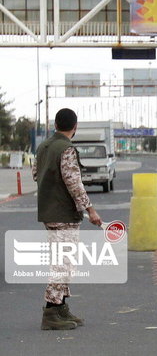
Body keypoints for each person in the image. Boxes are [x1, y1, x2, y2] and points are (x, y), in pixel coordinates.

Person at [33, 108, 102, 330]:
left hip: (49, 212)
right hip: (63, 213)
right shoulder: (67, 149)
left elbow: (36, 174)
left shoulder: (43, 147)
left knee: (64, 262)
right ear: (75, 126)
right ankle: (51, 312)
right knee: (62, 264)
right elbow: (74, 183)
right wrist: (90, 209)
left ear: (55, 124)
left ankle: (60, 307)